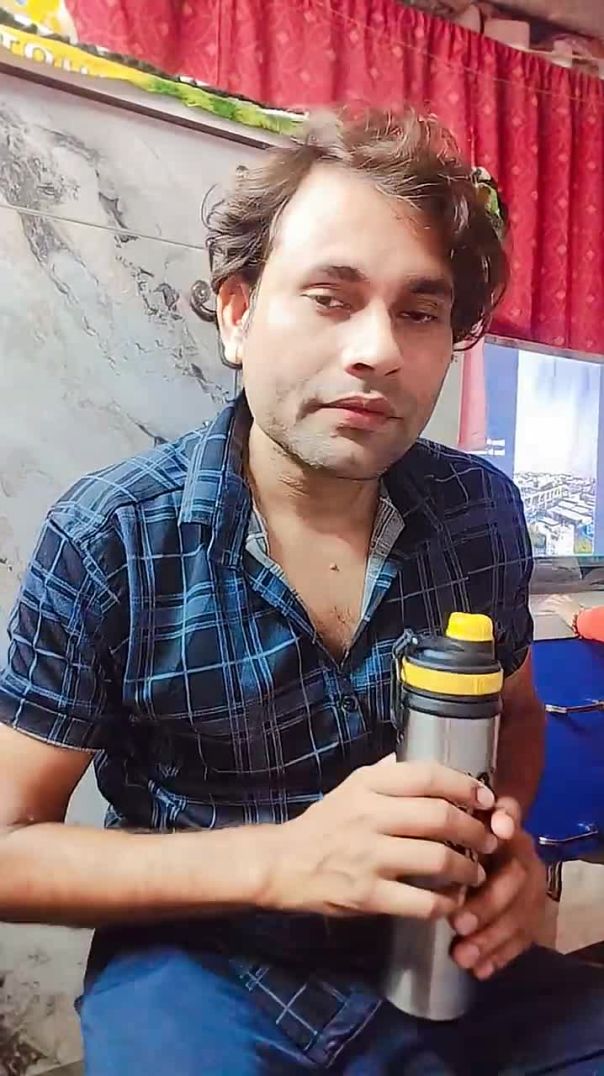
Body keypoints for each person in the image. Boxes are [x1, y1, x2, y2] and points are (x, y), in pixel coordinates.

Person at [0, 109, 602, 1075]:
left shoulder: (478, 511)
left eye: (419, 312)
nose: (377, 350)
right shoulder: (113, 536)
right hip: (202, 965)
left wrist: (506, 843)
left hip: (434, 949)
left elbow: (518, 714)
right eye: (331, 298)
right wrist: (281, 861)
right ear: (237, 314)